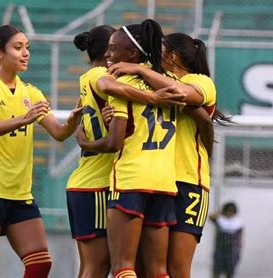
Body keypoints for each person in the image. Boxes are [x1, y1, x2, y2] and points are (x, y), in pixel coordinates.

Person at [0, 24, 82, 278]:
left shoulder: (31, 92)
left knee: (40, 264)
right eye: (18, 47)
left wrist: (74, 120)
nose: (26, 54)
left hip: (20, 193)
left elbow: (58, 133)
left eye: (28, 48)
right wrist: (23, 120)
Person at [107, 33, 232, 277]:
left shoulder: (200, 81)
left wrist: (139, 70)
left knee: (177, 267)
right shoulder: (154, 83)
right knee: (148, 267)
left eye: (161, 49)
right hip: (157, 180)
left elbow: (183, 94)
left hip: (189, 182)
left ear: (172, 56)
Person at [68, 25, 186, 278]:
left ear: (133, 54)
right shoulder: (172, 85)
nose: (110, 55)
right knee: (157, 270)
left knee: (122, 268)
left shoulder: (121, 83)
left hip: (129, 180)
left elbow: (115, 141)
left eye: (114, 48)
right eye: (108, 48)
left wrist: (86, 141)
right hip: (164, 182)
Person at [209, 202, 243, 278]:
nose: (229, 213)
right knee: (216, 272)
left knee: (230, 273)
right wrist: (220, 212)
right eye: (227, 211)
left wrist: (238, 252)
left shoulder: (238, 223)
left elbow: (240, 239)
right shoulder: (220, 220)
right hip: (220, 251)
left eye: (231, 211)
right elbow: (211, 217)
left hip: (232, 252)